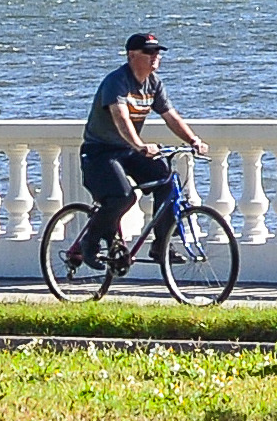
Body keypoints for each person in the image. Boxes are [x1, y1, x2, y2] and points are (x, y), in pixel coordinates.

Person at [79, 31, 200, 272]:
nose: (155, 57)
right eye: (149, 52)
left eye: (158, 52)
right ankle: (89, 242)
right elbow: (121, 117)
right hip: (99, 153)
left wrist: (193, 139)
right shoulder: (117, 81)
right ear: (132, 55)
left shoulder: (154, 83)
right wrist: (139, 145)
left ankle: (161, 245)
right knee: (123, 197)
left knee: (165, 180)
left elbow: (170, 116)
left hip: (127, 150)